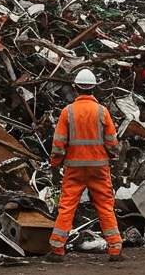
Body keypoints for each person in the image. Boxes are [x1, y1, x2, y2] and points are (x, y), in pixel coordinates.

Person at [47, 69, 123, 263]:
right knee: (106, 206)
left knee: (67, 206)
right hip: (99, 168)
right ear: (94, 88)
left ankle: (57, 249)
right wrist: (113, 157)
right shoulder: (102, 112)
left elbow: (58, 143)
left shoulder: (68, 112)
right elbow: (112, 142)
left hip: (74, 169)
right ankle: (115, 249)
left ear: (75, 87)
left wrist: (55, 165)